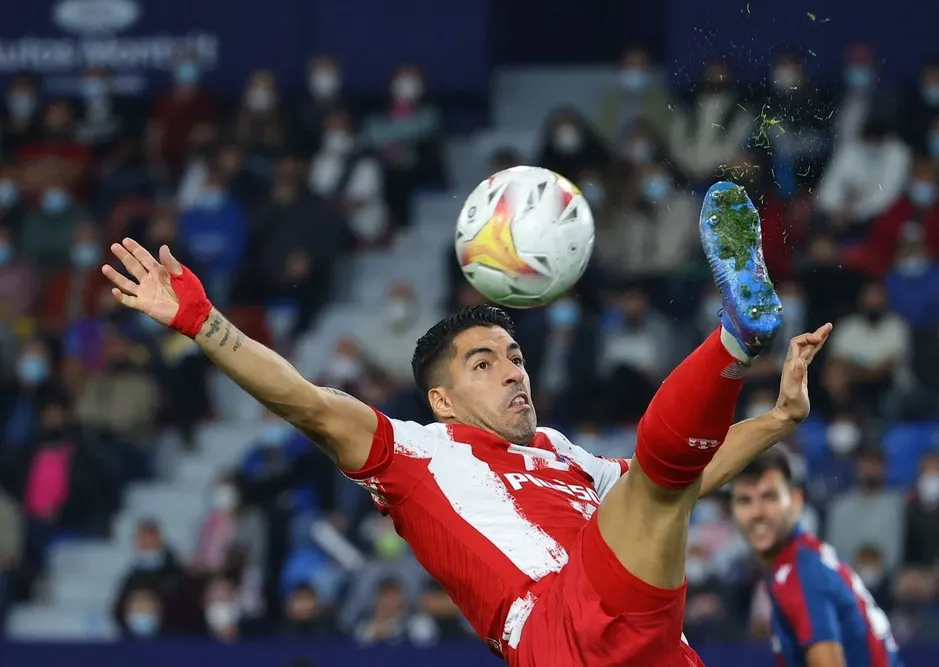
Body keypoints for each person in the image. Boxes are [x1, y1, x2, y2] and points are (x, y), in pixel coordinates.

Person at [100, 181, 831, 666]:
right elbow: (305, 400)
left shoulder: (558, 451)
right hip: (560, 627)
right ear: (442, 399)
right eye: (483, 363)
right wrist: (200, 318)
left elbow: (676, 483)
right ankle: (736, 336)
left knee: (657, 486)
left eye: (515, 355)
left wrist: (776, 419)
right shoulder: (416, 453)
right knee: (657, 481)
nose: (513, 370)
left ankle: (738, 340)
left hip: (652, 638)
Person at [730, 450, 902, 667]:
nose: (757, 513)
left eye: (770, 497)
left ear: (796, 502)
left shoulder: (802, 573)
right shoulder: (806, 558)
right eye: (744, 501)